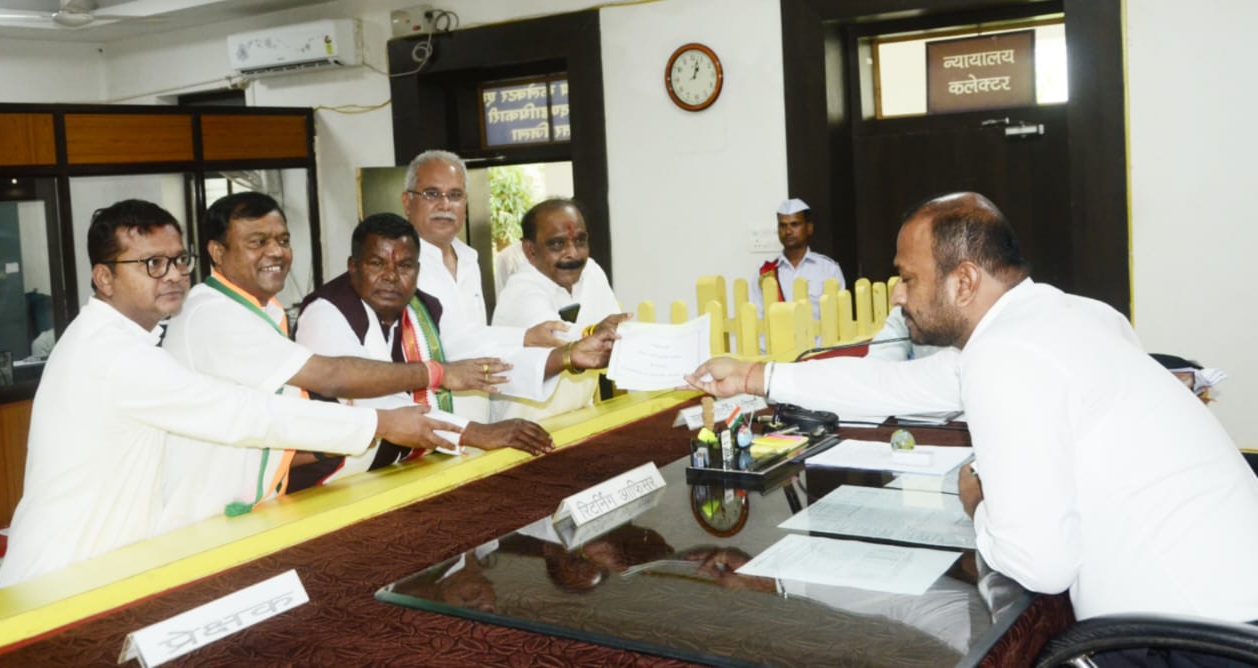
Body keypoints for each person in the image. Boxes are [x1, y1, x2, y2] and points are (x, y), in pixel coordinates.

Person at [688, 192, 1258, 624]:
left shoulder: (1005, 354)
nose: (897, 294)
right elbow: (891, 385)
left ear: (963, 282)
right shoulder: (1076, 315)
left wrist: (978, 503)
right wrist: (755, 376)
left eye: (907, 278)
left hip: (1187, 643)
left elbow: (1040, 564)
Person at [0, 200, 456, 588]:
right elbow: (242, 413)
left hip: (109, 566)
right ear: (104, 278)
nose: (172, 275)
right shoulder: (112, 354)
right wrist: (380, 423)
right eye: (152, 264)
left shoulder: (129, 339)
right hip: (61, 574)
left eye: (179, 260)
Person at [158, 193, 510, 532]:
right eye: (257, 242)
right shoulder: (214, 315)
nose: (276, 252)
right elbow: (330, 377)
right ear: (217, 252)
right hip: (201, 515)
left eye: (283, 240)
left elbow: (276, 418)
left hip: (245, 505)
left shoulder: (261, 310)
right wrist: (435, 380)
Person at [293, 213, 616, 482]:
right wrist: (477, 433)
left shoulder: (423, 307)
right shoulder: (327, 312)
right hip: (330, 482)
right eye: (377, 264)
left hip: (399, 472)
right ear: (353, 266)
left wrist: (567, 357)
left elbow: (473, 355)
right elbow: (377, 401)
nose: (391, 277)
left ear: (418, 271)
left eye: (404, 266)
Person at [402, 150, 565, 421]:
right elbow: (447, 344)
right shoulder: (399, 264)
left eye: (455, 195)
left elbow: (476, 340)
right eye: (432, 194)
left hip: (477, 414)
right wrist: (525, 338)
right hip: (425, 418)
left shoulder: (468, 258)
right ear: (407, 202)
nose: (445, 204)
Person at [491, 198, 628, 421]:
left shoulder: (591, 272)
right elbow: (560, 340)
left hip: (577, 418)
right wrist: (596, 333)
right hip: (524, 427)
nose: (572, 253)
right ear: (530, 251)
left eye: (580, 241)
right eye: (557, 244)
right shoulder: (521, 289)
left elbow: (617, 338)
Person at [749, 198, 846, 320]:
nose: (788, 231)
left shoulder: (828, 270)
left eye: (794, 224)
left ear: (809, 228)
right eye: (783, 225)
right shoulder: (765, 273)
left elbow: (840, 318)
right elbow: (758, 319)